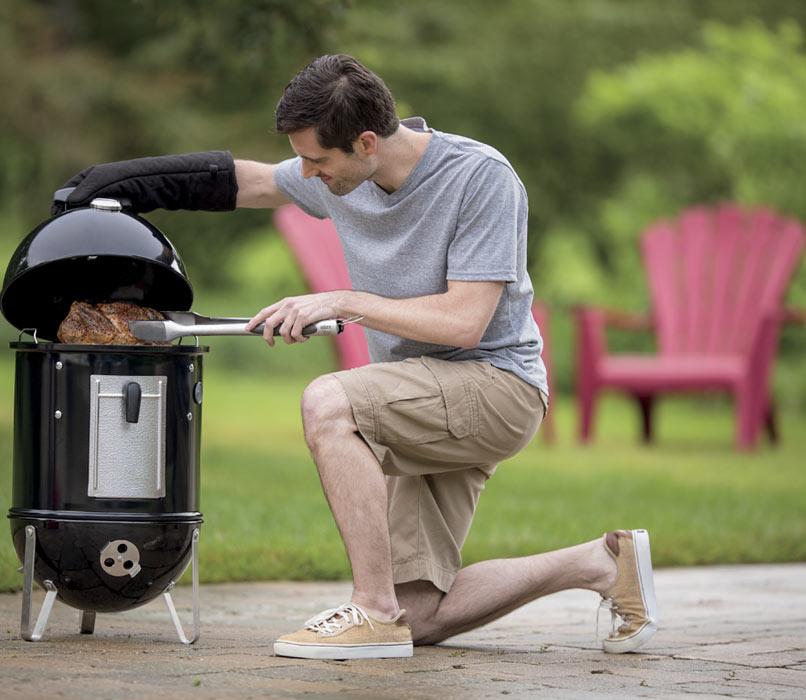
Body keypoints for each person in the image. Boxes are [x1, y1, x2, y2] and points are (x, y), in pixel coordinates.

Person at [55, 54, 658, 660]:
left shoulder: (480, 178)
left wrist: (342, 300)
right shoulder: (342, 177)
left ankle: (370, 609)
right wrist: (121, 183)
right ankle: (602, 563)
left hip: (495, 386)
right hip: (417, 391)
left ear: (366, 142)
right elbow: (249, 180)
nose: (307, 174)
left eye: (317, 160)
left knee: (328, 401)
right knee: (418, 615)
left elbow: (465, 322)